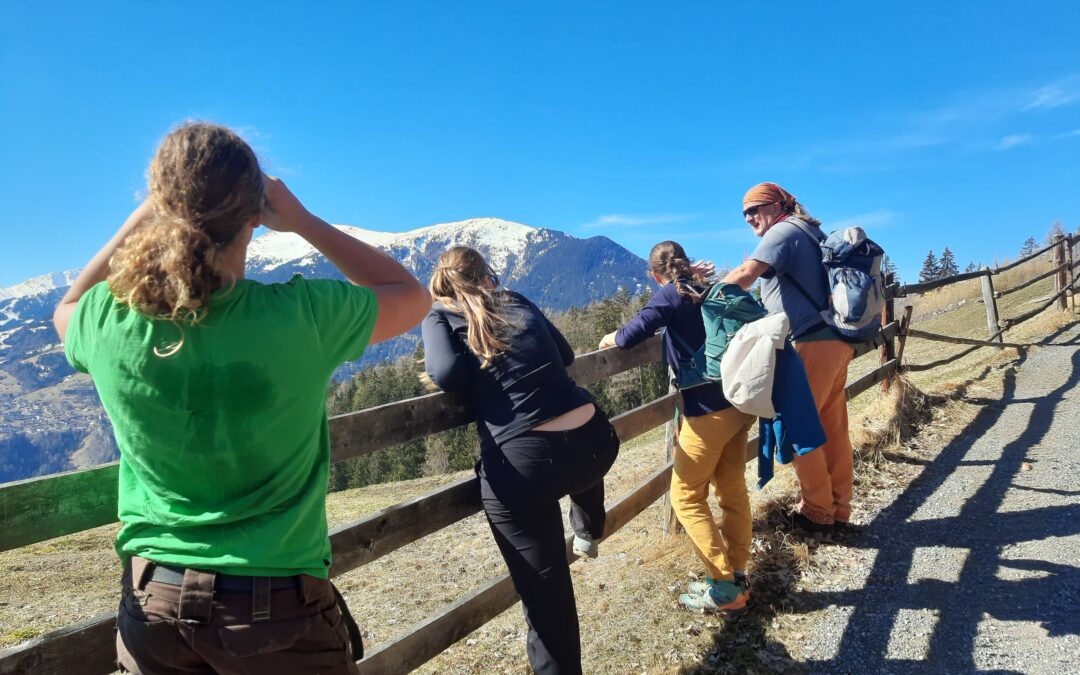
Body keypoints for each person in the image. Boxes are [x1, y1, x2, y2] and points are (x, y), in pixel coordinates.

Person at [53, 122, 431, 674]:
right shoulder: (301, 316)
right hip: (276, 608)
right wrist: (301, 222)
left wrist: (143, 216)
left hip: (153, 603)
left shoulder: (107, 322)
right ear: (254, 216)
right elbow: (411, 296)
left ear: (159, 205)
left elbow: (67, 305)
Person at [421, 246, 619, 675]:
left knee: (546, 594)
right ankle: (589, 527)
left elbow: (447, 374)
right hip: (597, 440)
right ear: (488, 274)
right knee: (573, 461)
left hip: (526, 465)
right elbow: (565, 355)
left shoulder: (440, 316)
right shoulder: (516, 300)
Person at [599, 241, 754, 613]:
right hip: (739, 402)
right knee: (732, 488)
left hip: (706, 411)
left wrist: (611, 338)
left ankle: (723, 587)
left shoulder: (671, 293)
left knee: (685, 496)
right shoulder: (707, 286)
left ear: (655, 274)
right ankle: (738, 572)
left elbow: (633, 333)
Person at [722, 182, 855, 539]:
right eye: (745, 212)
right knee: (832, 427)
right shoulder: (809, 231)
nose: (750, 217)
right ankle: (839, 508)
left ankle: (817, 513)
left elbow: (744, 276)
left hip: (810, 343)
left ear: (778, 205)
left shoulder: (781, 231)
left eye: (756, 208)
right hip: (835, 341)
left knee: (798, 429)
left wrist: (703, 298)